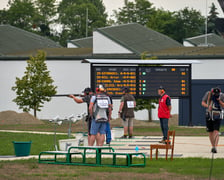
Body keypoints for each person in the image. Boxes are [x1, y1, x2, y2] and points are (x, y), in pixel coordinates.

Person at [201, 87, 224, 153]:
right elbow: (202, 102)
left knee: (216, 131)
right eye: (214, 93)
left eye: (217, 93)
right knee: (210, 132)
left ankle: (215, 147)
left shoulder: (222, 96)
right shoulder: (208, 94)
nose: (216, 94)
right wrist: (208, 106)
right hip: (209, 114)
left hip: (217, 115)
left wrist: (219, 101)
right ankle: (213, 146)